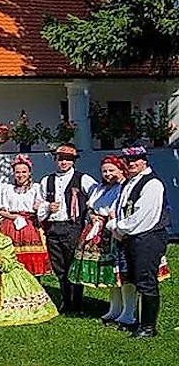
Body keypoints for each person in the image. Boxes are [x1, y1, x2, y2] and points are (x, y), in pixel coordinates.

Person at [106, 146, 171, 338]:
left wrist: (117, 227)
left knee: (146, 281)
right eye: (128, 160)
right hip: (132, 237)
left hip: (147, 237)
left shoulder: (152, 184)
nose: (131, 163)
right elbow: (124, 207)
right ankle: (137, 321)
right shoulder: (130, 182)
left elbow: (143, 216)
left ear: (144, 161)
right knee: (134, 278)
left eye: (137, 159)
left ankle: (148, 327)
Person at [38, 143, 97, 314]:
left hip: (72, 227)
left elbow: (96, 195)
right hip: (53, 227)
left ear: (73, 161)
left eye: (68, 159)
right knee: (59, 266)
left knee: (73, 264)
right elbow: (40, 204)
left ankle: (76, 303)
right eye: (61, 158)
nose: (64, 162)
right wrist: (49, 208)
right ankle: (66, 300)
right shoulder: (46, 180)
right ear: (56, 160)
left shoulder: (82, 179)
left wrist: (91, 213)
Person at [67, 156, 126, 307]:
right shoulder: (101, 188)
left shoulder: (124, 187)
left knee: (116, 270)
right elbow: (91, 206)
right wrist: (93, 216)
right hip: (97, 229)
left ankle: (126, 307)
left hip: (113, 230)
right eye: (104, 171)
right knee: (107, 272)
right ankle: (114, 306)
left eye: (111, 170)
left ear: (120, 170)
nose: (107, 174)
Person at [0, 155, 50, 276]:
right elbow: (0, 210)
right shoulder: (7, 189)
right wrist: (14, 217)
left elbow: (41, 208)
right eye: (17, 172)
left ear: (29, 173)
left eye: (24, 171)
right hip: (9, 224)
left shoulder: (36, 188)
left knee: (31, 258)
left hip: (30, 225)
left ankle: (34, 285)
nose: (20, 175)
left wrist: (38, 207)